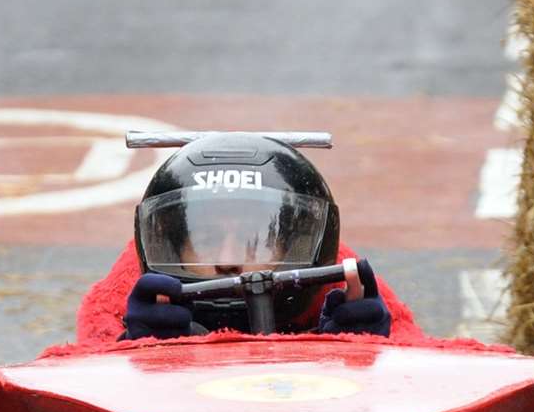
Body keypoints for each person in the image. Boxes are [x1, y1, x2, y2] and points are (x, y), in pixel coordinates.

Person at [118, 133, 392, 340]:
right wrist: (134, 352)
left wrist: (363, 353)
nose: (228, 262)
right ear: (172, 249)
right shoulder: (120, 311)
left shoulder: (349, 291)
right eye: (206, 240)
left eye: (257, 241)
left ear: (293, 247)